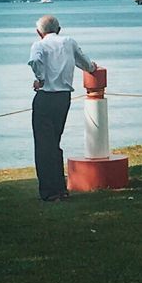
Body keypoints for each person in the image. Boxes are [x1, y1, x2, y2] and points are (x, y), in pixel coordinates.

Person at [27, 14, 97, 202]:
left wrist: (40, 79)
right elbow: (84, 62)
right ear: (59, 29)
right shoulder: (69, 42)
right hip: (63, 98)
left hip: (46, 97)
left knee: (43, 146)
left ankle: (50, 191)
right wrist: (92, 68)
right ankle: (60, 188)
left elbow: (34, 61)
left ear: (39, 32)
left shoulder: (38, 45)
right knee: (55, 143)